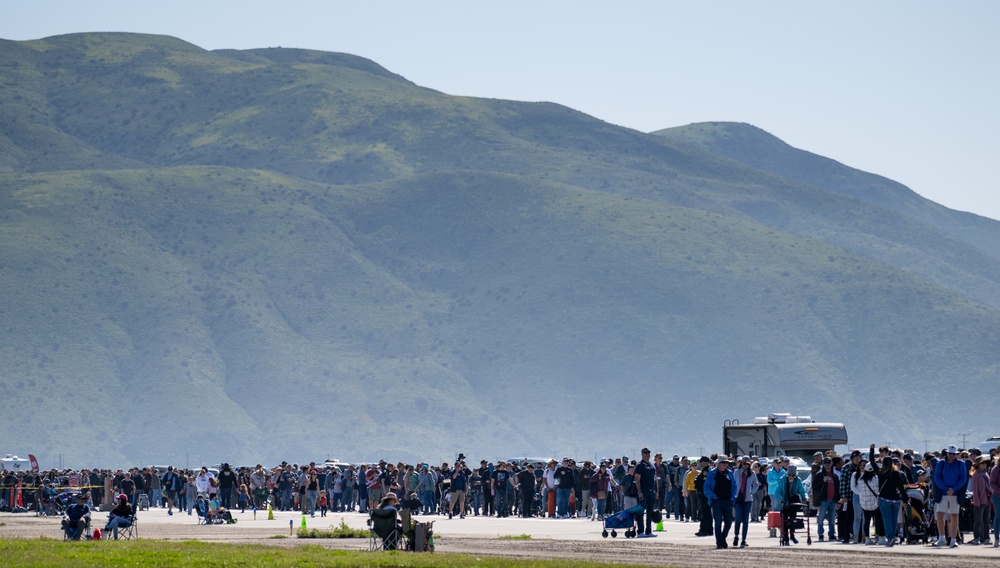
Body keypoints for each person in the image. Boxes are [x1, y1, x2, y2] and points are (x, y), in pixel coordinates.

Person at [871, 444, 908, 547]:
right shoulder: (896, 473)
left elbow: (873, 462)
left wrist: (872, 450)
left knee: (886, 519)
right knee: (893, 519)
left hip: (884, 499)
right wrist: (905, 498)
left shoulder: (880, 472)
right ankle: (893, 537)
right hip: (895, 499)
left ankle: (890, 538)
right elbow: (901, 488)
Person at [932, 444, 967, 548]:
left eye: (954, 454)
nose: (952, 456)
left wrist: (953, 489)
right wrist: (946, 489)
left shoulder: (960, 464)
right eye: (950, 453)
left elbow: (963, 479)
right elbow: (937, 477)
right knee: (939, 515)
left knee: (954, 516)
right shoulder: (941, 464)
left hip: (954, 494)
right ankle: (942, 538)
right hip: (943, 493)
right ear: (947, 453)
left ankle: (953, 539)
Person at [704, 456, 734, 549]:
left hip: (728, 501)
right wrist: (712, 496)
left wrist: (733, 497)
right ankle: (719, 542)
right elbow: (706, 487)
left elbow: (735, 486)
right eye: (723, 462)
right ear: (718, 464)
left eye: (726, 463)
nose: (725, 464)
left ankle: (722, 538)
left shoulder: (730, 473)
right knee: (718, 522)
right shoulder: (712, 473)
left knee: (728, 522)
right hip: (717, 501)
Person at [774, 465, 807, 544]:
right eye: (789, 475)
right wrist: (781, 498)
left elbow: (802, 491)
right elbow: (777, 491)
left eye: (793, 475)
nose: (791, 477)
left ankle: (792, 536)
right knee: (785, 521)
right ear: (787, 474)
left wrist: (805, 497)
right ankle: (786, 538)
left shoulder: (798, 480)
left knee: (792, 520)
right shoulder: (783, 480)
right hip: (784, 502)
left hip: (793, 503)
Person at [732, 456, 759, 547]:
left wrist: (751, 492)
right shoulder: (736, 473)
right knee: (738, 518)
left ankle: (743, 539)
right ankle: (736, 536)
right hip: (738, 498)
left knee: (745, 520)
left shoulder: (752, 474)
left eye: (747, 464)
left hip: (747, 499)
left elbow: (756, 485)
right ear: (741, 463)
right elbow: (733, 483)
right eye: (744, 463)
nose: (745, 466)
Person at [811, 456, 839, 542]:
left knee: (832, 519)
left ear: (831, 464)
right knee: (821, 518)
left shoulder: (835, 476)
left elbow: (837, 488)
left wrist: (838, 500)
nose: (827, 464)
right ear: (823, 464)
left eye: (828, 462)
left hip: (833, 500)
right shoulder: (819, 474)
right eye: (825, 463)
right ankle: (820, 534)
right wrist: (823, 481)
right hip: (823, 500)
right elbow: (814, 486)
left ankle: (831, 535)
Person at [634, 448, 658, 538]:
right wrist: (639, 492)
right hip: (643, 492)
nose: (648, 454)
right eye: (645, 453)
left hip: (651, 491)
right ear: (642, 454)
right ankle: (640, 531)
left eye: (648, 453)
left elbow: (655, 479)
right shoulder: (640, 465)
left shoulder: (652, 465)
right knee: (641, 512)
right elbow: (637, 479)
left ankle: (649, 530)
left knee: (650, 512)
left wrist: (656, 491)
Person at [969, 456, 991, 545]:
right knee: (978, 521)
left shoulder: (986, 474)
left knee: (986, 521)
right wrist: (976, 501)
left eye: (985, 463)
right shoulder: (976, 475)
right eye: (982, 463)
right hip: (979, 501)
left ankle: (986, 537)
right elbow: (975, 490)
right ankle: (977, 537)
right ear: (978, 465)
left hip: (987, 500)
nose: (984, 465)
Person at [694, 456, 714, 537]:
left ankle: (705, 529)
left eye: (701, 461)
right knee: (707, 512)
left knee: (705, 512)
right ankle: (708, 529)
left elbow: (702, 483)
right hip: (705, 494)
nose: (700, 463)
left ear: (705, 462)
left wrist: (696, 482)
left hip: (704, 494)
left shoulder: (705, 471)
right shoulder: (706, 471)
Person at [989, 455, 1000, 548]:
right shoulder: (996, 469)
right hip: (997, 496)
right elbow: (992, 483)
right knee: (998, 516)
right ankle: (997, 538)